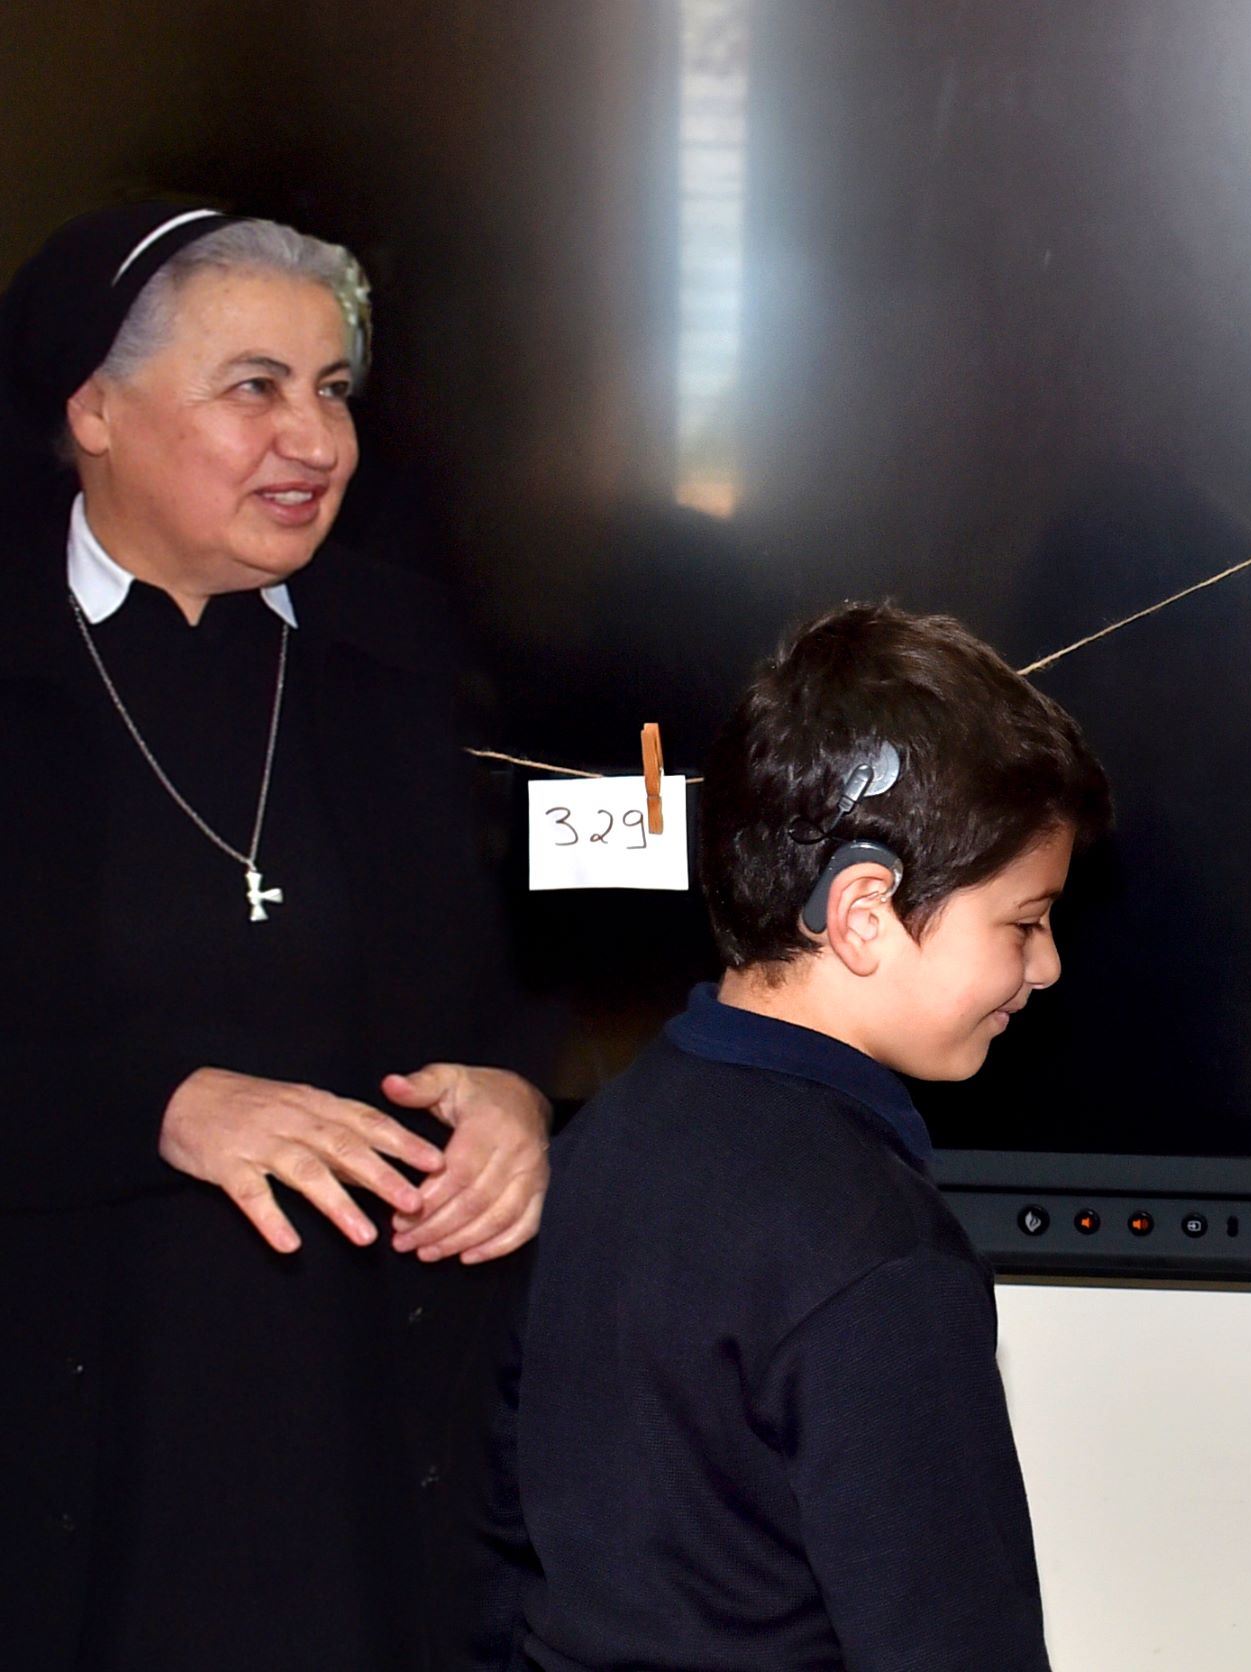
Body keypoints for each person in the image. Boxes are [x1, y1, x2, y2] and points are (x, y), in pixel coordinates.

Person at [0, 204, 552, 1670]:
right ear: (94, 409)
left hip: (368, 1430)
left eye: (333, 390)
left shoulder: (400, 652)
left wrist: (514, 1098)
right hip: (70, 1441)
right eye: (255, 387)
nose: (315, 440)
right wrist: (163, 1107)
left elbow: (514, 987)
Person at [476, 603, 1108, 1671]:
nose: (1046, 966)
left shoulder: (600, 1142)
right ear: (863, 913)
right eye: (1023, 921)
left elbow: (507, 1536)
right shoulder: (877, 1256)